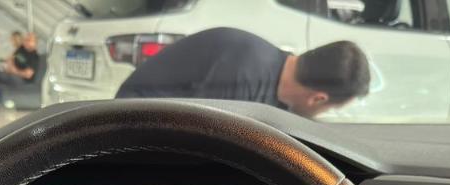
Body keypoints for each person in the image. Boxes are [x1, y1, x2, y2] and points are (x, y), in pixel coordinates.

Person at [115, 28, 370, 119]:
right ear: (318, 98)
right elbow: (201, 136)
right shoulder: (242, 75)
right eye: (329, 109)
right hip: (132, 121)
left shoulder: (271, 71)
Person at [0, 31, 41, 110]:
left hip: (23, 81)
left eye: (29, 40)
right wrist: (9, 67)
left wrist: (15, 71)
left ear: (35, 43)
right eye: (25, 40)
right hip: (13, 75)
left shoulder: (34, 56)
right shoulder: (21, 50)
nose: (26, 42)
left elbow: (28, 75)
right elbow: (11, 58)